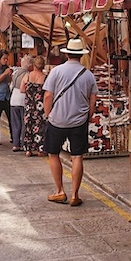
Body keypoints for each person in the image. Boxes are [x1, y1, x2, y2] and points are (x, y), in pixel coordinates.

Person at [43, 38, 98, 207]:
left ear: (66, 54)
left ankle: (59, 191)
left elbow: (47, 96)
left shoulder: (56, 72)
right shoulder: (88, 75)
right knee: (77, 157)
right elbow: (93, 100)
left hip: (57, 120)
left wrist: (48, 114)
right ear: (81, 56)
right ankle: (75, 194)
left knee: (53, 153)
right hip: (79, 121)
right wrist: (88, 116)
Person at [21, 55, 48, 157]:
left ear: (34, 65)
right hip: (40, 107)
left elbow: (22, 89)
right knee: (40, 127)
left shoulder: (27, 76)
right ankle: (40, 149)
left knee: (29, 127)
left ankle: (28, 150)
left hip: (29, 106)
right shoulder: (45, 78)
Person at [9, 55, 30, 152]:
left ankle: (15, 144)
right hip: (23, 100)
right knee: (23, 123)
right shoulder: (27, 74)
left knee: (15, 123)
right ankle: (22, 143)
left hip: (14, 99)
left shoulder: (15, 72)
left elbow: (11, 86)